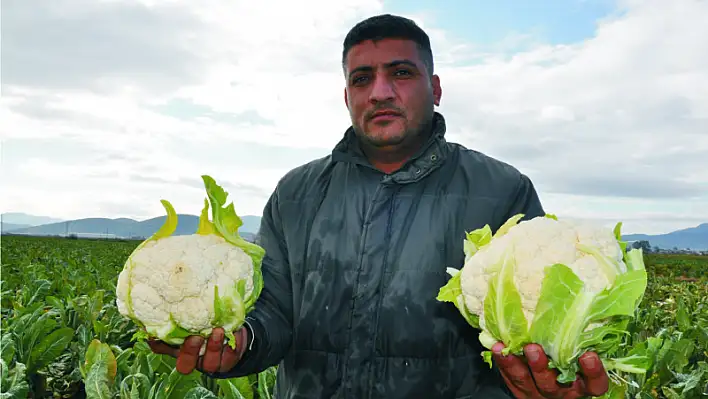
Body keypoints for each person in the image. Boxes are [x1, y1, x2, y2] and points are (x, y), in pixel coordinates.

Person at [149, 14, 609, 399]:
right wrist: (241, 345)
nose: (380, 92)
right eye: (362, 78)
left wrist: (548, 375)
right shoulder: (295, 194)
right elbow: (272, 311)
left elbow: (532, 326)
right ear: (347, 96)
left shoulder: (502, 189)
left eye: (401, 73)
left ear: (436, 87)